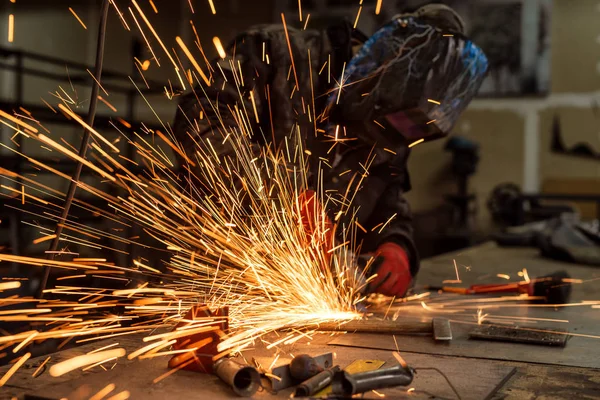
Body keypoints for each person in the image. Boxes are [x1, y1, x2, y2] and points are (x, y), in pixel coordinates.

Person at [173, 4, 488, 298]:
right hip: (217, 285)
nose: (398, 131)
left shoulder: (396, 134)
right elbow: (199, 116)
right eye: (396, 117)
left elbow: (389, 205)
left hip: (301, 303)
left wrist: (396, 247)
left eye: (411, 128)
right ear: (380, 72)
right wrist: (280, 198)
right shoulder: (278, 54)